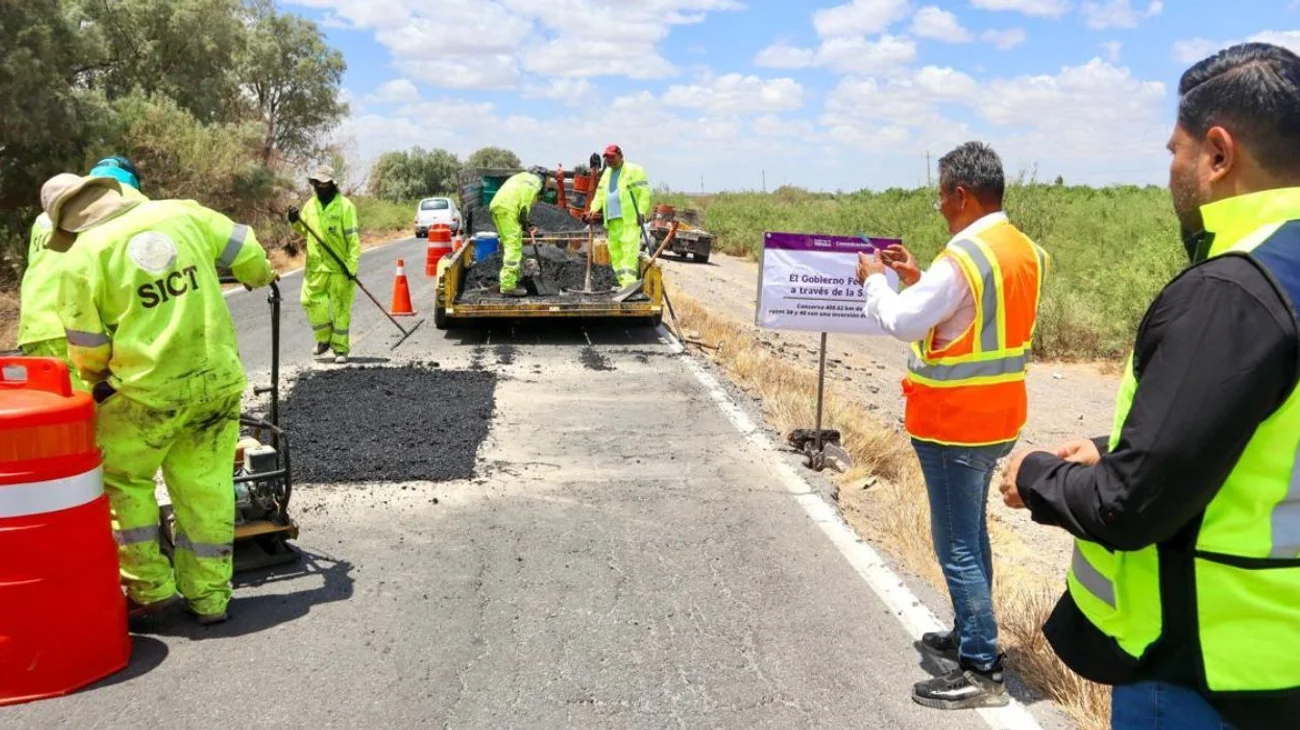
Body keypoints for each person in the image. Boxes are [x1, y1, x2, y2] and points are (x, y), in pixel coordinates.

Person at [1000, 43, 1300, 730]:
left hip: (1206, 674)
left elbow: (1130, 508)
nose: (1171, 171)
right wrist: (1116, 445)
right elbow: (1269, 428)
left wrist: (1037, 475)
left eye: (1176, 151)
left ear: (1218, 154)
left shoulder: (1231, 293)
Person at [856, 141, 1049, 710]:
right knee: (970, 534)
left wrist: (877, 280)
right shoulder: (1023, 250)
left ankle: (982, 667)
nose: (939, 205)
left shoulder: (963, 257)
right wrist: (919, 276)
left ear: (961, 194)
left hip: (954, 423)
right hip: (999, 415)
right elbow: (971, 317)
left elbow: (901, 320)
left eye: (941, 194)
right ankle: (971, 633)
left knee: (957, 544)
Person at [46, 172, 276, 625]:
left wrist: (100, 381)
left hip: (145, 397)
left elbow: (89, 352)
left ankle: (151, 588)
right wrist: (259, 275)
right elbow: (248, 253)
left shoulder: (79, 260)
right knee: (206, 488)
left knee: (122, 480)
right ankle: (210, 598)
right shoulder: (181, 212)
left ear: (66, 223)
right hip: (215, 384)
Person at [17, 156, 143, 390]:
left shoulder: (45, 216)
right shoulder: (117, 206)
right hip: (77, 330)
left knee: (55, 412)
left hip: (34, 327)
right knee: (95, 413)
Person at [288, 165, 359, 364]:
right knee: (308, 300)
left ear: (331, 184)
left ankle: (341, 349)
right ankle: (323, 339)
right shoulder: (310, 206)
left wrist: (351, 266)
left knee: (340, 308)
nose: (320, 186)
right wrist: (294, 220)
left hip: (339, 268)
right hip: (315, 267)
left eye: (323, 183)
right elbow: (305, 230)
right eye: (317, 183)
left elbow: (353, 238)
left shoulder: (345, 206)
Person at [584, 145, 651, 289]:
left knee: (628, 253)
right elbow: (600, 194)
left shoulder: (634, 170)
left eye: (612, 157)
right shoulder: (607, 173)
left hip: (629, 220)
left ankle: (629, 285)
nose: (609, 160)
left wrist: (642, 212)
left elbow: (644, 193)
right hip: (612, 221)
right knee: (616, 253)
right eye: (607, 158)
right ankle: (622, 284)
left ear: (620, 156)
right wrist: (592, 210)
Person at [488, 165, 547, 297]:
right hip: (508, 209)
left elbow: (519, 198)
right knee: (513, 245)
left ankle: (510, 280)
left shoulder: (521, 177)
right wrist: (525, 219)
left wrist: (526, 224)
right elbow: (525, 203)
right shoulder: (534, 181)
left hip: (498, 207)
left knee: (509, 243)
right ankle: (508, 286)